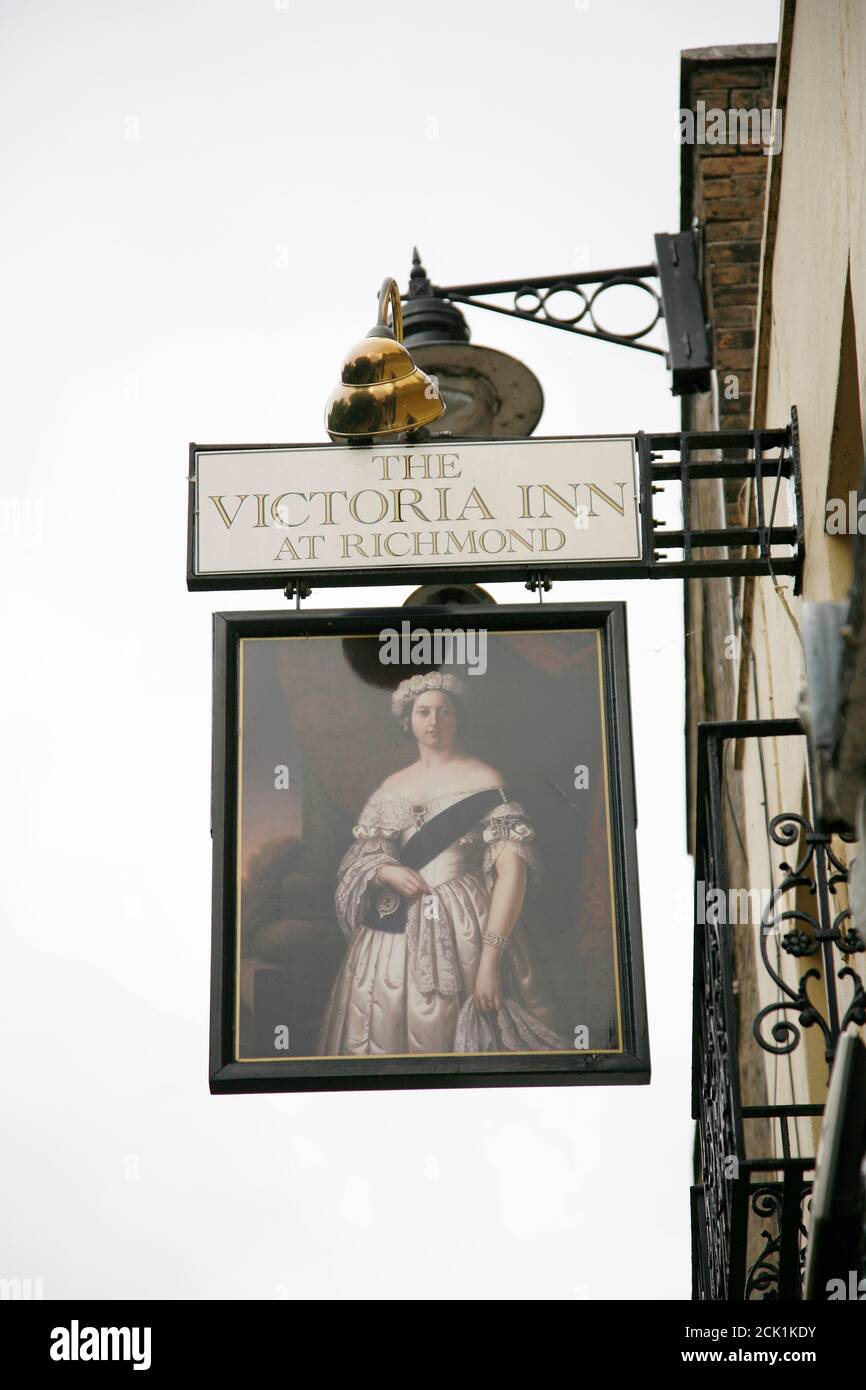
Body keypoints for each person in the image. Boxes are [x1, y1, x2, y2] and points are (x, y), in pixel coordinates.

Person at [317, 670, 568, 1056]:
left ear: (458, 717)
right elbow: (361, 858)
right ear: (408, 721)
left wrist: (490, 960)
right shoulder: (392, 787)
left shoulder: (484, 779)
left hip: (468, 925)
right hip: (391, 933)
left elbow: (512, 870)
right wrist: (387, 870)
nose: (434, 722)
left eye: (444, 712)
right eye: (423, 713)